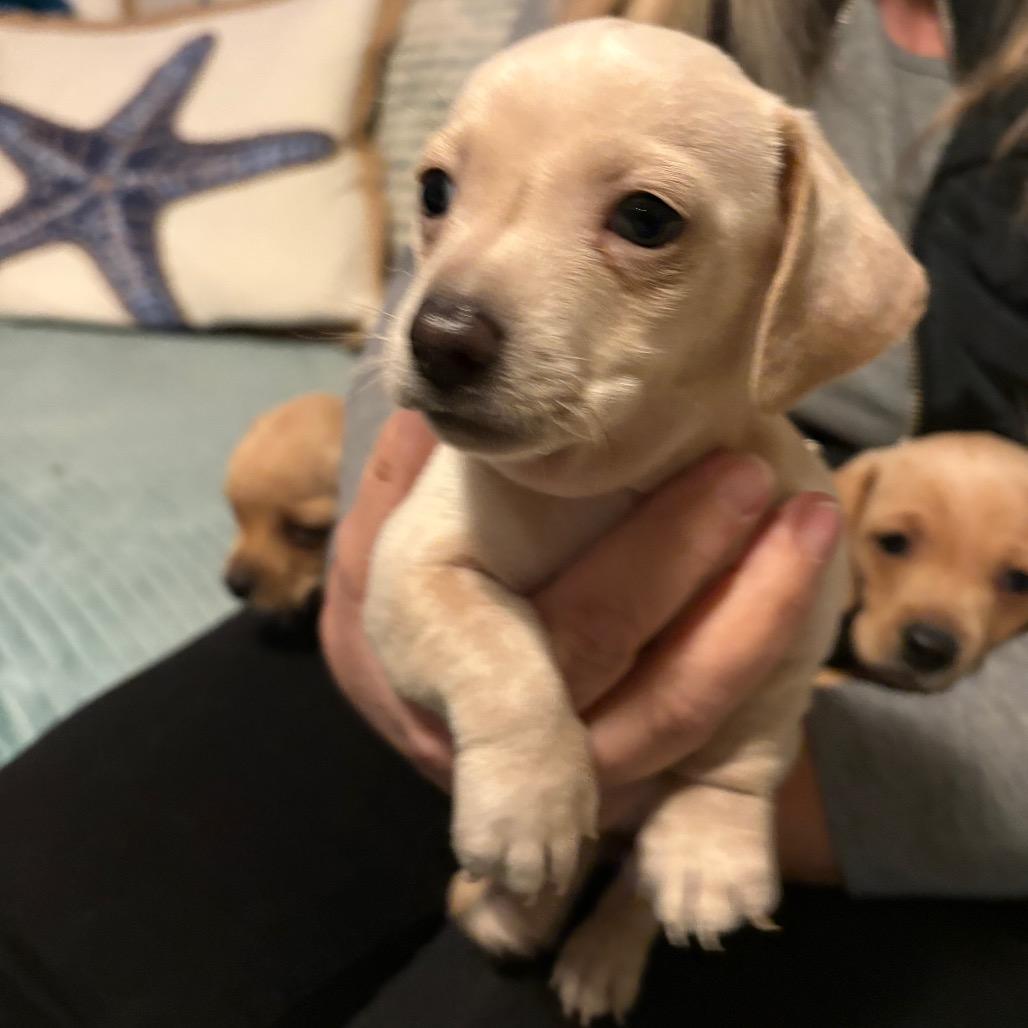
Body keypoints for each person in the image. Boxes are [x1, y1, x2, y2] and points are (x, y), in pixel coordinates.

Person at [0, 2, 1025, 1026]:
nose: (455, 315)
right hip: (473, 576)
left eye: (642, 220)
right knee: (40, 926)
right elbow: (423, 314)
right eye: (438, 189)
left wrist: (702, 786)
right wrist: (390, 587)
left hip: (920, 733)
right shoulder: (610, 27)